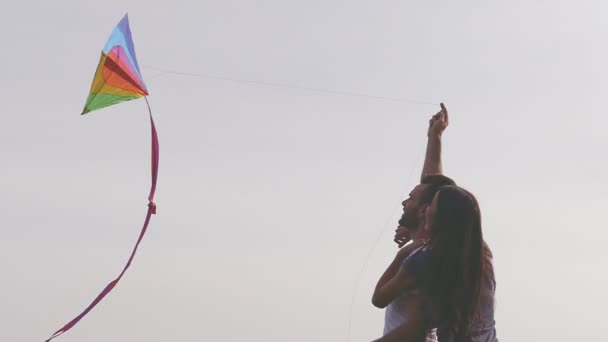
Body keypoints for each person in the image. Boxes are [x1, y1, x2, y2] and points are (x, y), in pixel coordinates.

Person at [372, 103, 455, 340]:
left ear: (424, 212)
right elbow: (431, 185)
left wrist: (404, 252)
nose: (403, 202)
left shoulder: (423, 256)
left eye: (409, 199)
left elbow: (414, 329)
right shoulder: (425, 245)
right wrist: (434, 137)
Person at [373, 186, 497, 342]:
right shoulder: (481, 255)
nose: (426, 210)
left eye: (431, 205)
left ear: (440, 217)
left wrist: (402, 254)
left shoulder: (422, 261)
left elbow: (379, 299)